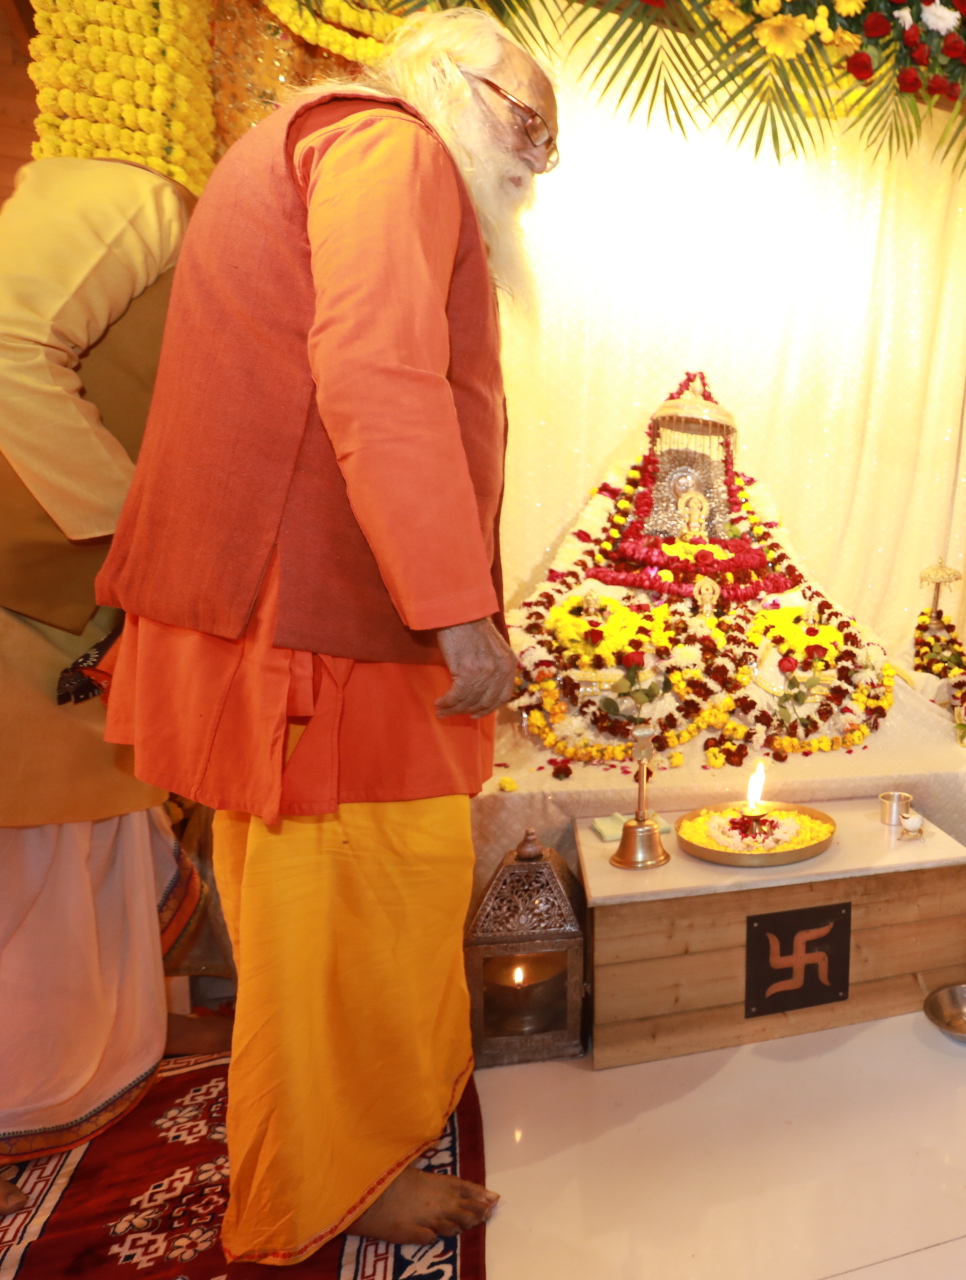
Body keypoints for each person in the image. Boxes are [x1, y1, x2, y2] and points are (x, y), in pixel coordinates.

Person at [94, 9, 558, 1263]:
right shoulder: (390, 147)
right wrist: (459, 611)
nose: (537, 159)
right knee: (333, 929)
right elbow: (378, 378)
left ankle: (355, 1150)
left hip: (323, 612)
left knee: (371, 904)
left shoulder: (355, 152)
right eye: (527, 119)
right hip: (322, 624)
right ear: (447, 81)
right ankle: (312, 1193)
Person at [0, 155, 226, 1212]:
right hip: (33, 578)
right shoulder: (127, 198)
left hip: (91, 603)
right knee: (32, 850)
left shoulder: (249, 296)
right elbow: (7, 345)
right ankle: (35, 1096)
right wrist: (148, 542)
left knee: (95, 838)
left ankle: (111, 1064)